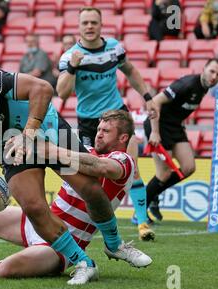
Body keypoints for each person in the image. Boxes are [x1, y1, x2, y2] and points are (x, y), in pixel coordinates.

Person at [0, 70, 122, 285]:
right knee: (33, 206)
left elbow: (43, 88)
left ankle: (115, 244)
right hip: (10, 145)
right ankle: (84, 263)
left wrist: (28, 135)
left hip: (46, 129)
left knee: (90, 189)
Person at [0, 110, 152, 278]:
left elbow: (101, 167)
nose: (99, 133)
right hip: (43, 223)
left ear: (123, 137)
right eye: (98, 128)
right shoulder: (84, 149)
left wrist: (52, 151)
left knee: (6, 269)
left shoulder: (124, 160)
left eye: (106, 131)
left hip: (64, 244)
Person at [56, 7, 157, 241]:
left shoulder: (114, 48)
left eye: (94, 22)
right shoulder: (69, 56)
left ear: (101, 25)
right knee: (92, 175)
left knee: (133, 167)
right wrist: (73, 66)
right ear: (79, 27)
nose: (89, 27)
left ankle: (142, 223)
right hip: (89, 122)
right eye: (85, 23)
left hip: (118, 116)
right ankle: (94, 225)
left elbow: (130, 71)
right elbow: (62, 93)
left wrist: (148, 97)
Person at [144, 58, 218, 220]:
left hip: (175, 127)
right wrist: (154, 132)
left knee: (188, 168)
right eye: (212, 71)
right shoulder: (187, 84)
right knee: (164, 174)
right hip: (159, 126)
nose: (214, 76)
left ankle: (154, 194)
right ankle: (140, 212)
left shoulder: (204, 88)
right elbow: (155, 102)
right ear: (204, 69)